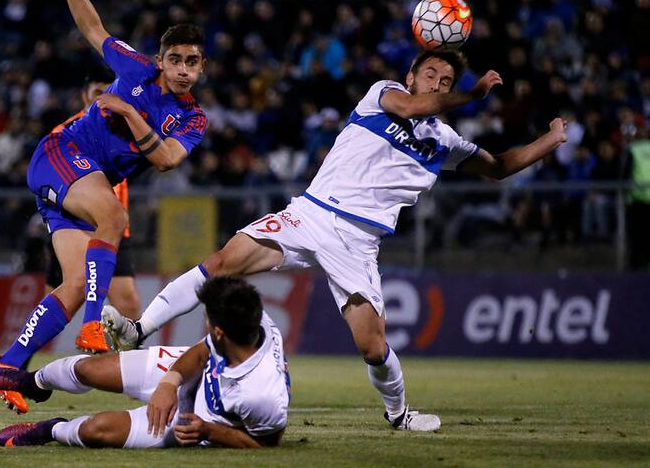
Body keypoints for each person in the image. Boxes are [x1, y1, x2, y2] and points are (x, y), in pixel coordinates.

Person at [104, 50, 568, 431]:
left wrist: (550, 140)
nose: (436, 84)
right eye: (430, 74)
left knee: (373, 347)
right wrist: (471, 94)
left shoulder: (444, 143)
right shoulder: (383, 95)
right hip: (309, 214)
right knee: (223, 261)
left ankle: (399, 414)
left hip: (357, 242)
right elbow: (411, 108)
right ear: (411, 76)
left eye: (445, 81)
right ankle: (138, 329)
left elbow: (500, 167)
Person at [0, 0, 208, 414]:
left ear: (202, 67)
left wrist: (128, 112)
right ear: (160, 60)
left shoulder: (194, 119)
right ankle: (92, 326)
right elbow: (91, 27)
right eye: (176, 60)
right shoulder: (136, 67)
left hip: (76, 183)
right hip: (62, 154)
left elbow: (167, 159)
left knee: (70, 284)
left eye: (193, 62)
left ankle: (6, 364)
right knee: (114, 216)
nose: (184, 70)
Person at [0, 277, 289, 449]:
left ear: (220, 331)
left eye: (209, 321)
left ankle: (51, 429)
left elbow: (266, 444)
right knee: (88, 369)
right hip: (192, 374)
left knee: (96, 430)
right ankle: (33, 382)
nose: (206, 324)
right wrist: (169, 383)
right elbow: (202, 350)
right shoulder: (252, 320)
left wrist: (208, 430)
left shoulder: (262, 395)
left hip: (197, 419)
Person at [44, 77, 140, 321]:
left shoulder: (124, 128)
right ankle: (28, 346)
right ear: (84, 96)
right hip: (74, 222)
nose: (103, 98)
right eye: (97, 92)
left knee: (127, 303)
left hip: (113, 224)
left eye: (108, 92)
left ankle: (110, 346)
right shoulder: (66, 131)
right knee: (65, 294)